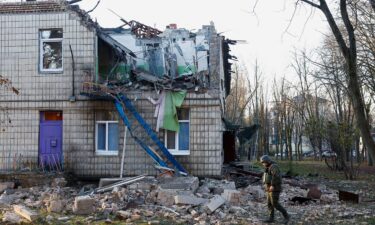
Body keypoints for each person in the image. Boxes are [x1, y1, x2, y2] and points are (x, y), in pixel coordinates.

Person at [260, 155, 290, 224]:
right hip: (268, 188)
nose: (263, 164)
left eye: (263, 162)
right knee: (269, 204)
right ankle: (271, 218)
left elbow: (276, 176)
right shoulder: (267, 167)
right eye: (262, 163)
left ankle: (286, 216)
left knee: (275, 204)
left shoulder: (274, 166)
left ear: (267, 161)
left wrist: (272, 185)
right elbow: (267, 176)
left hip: (274, 188)